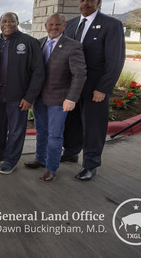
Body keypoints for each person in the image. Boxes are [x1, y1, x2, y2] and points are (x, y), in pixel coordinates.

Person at [62, 0, 125, 181]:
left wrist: (103, 89)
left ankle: (90, 164)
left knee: (93, 127)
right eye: (82, 0)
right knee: (71, 123)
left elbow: (115, 61)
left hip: (95, 88)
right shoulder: (71, 24)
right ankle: (71, 152)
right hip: (73, 87)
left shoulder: (111, 25)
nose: (85, 4)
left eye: (90, 0)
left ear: (98, 2)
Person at [24, 13, 86, 182]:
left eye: (57, 25)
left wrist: (71, 99)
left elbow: (79, 75)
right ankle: (40, 158)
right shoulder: (40, 43)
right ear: (46, 26)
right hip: (40, 99)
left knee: (55, 135)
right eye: (50, 24)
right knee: (41, 131)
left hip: (59, 100)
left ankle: (51, 168)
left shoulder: (73, 46)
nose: (53, 27)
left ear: (64, 26)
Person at [0, 12, 45, 175]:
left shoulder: (29, 42)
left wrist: (29, 97)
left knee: (16, 130)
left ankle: (10, 160)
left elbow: (38, 71)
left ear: (17, 23)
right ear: (0, 23)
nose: (8, 24)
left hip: (18, 95)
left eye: (12, 21)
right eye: (4, 21)